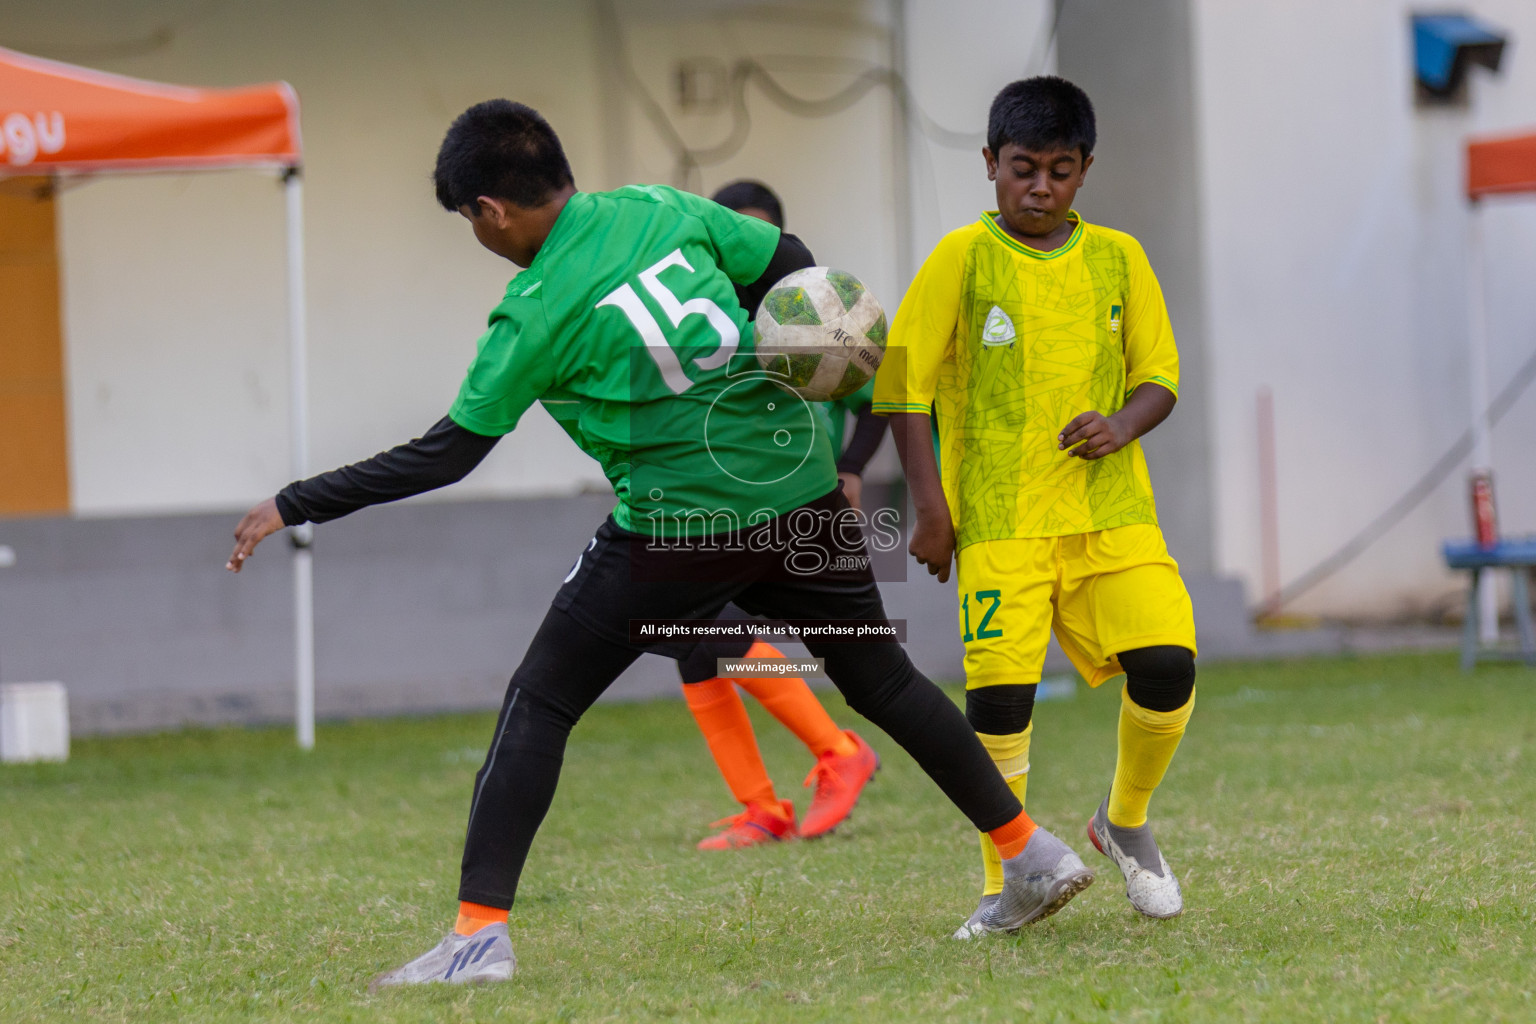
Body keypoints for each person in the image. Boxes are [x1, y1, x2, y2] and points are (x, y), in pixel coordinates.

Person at [225, 100, 1090, 988]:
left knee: (542, 701)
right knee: (884, 682)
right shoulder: (660, 207)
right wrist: (788, 335)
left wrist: (296, 501)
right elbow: (791, 263)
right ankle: (1031, 853)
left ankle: (477, 938)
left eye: (469, 224)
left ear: (490, 210)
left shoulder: (532, 312)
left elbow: (447, 454)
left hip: (681, 527)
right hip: (803, 488)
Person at [872, 76, 1198, 937]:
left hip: (1111, 515)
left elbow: (1159, 376)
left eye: (1060, 169)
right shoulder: (960, 258)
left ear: (1086, 169)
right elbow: (902, 391)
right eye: (1024, 168)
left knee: (1168, 667)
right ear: (990, 165)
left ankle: (1123, 818)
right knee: (1000, 707)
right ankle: (1007, 880)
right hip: (1000, 523)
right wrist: (932, 513)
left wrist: (1121, 423)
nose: (1040, 187)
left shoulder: (1120, 257)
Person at [671, 179, 886, 851]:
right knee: (693, 638)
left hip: (791, 498)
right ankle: (763, 807)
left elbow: (877, 395)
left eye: (754, 234)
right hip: (716, 502)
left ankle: (837, 750)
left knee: (715, 631)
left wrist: (850, 467)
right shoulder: (701, 320)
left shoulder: (803, 316)